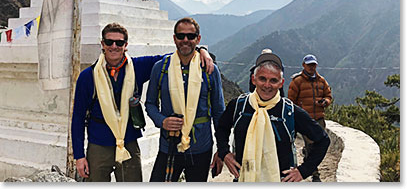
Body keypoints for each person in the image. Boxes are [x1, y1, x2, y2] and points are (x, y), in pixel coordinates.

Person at [71, 22, 214, 182]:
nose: (114, 46)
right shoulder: (88, 77)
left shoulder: (137, 68)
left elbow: (178, 56)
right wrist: (79, 156)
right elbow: (77, 117)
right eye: (109, 42)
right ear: (102, 44)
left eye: (119, 43)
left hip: (129, 140)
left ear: (126, 45)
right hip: (99, 143)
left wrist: (202, 51)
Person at [215, 50, 330, 182]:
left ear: (281, 83)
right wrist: (225, 153)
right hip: (244, 178)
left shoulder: (290, 111)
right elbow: (221, 128)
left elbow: (323, 140)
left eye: (273, 80)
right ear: (254, 79)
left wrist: (303, 171)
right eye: (262, 79)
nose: (267, 85)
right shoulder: (239, 106)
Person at [146, 17, 226, 182]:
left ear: (198, 39)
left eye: (191, 36)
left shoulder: (209, 70)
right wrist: (162, 121)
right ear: (174, 38)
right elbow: (150, 104)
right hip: (169, 144)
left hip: (201, 146)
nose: (185, 40)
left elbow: (219, 111)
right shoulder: (161, 68)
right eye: (181, 36)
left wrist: (222, 149)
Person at [287, 54, 333, 182]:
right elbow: (291, 101)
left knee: (320, 144)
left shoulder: (321, 81)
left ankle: (307, 157)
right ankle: (315, 173)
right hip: (305, 121)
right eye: (309, 65)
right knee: (312, 145)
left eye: (313, 65)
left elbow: (328, 95)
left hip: (319, 118)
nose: (311, 67)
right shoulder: (297, 81)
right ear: (303, 65)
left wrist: (326, 102)